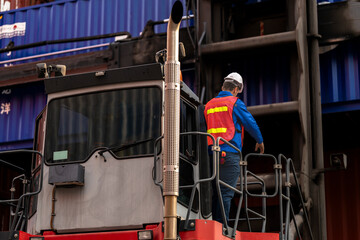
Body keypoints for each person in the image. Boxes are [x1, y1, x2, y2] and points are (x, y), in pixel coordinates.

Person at [204, 72, 264, 224]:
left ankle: (214, 224)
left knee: (215, 192)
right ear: (236, 89)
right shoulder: (234, 103)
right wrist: (259, 140)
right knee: (225, 192)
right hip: (229, 153)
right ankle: (221, 227)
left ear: (223, 86)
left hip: (210, 154)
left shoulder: (208, 105)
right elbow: (250, 123)